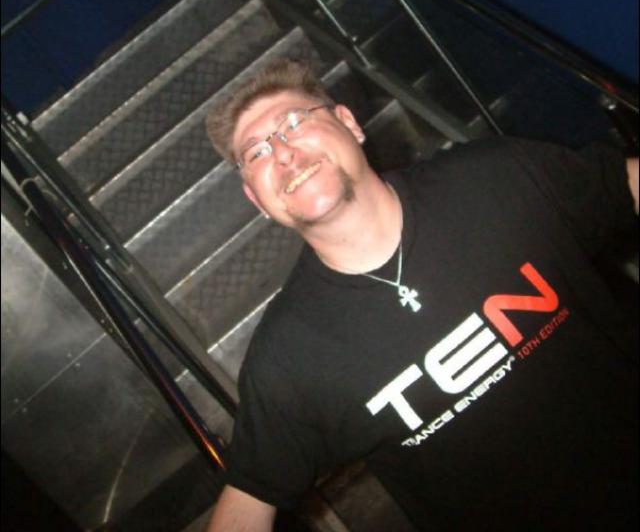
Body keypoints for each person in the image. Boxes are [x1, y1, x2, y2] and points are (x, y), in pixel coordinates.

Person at [204, 58, 639, 531]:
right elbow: (248, 499)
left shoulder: (492, 178)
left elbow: (624, 187)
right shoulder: (288, 355)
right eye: (256, 152)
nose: (282, 153)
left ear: (349, 123)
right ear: (257, 200)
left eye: (293, 123)